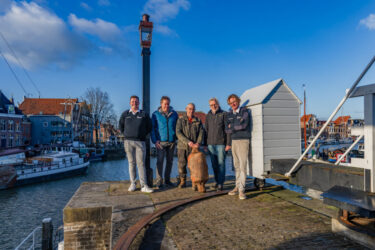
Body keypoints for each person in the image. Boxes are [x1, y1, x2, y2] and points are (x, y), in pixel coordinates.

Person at [119, 95, 153, 193]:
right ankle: (133, 183)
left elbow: (149, 127)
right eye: (133, 101)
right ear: (130, 103)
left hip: (140, 142)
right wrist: (126, 134)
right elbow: (120, 125)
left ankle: (143, 185)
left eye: (136, 101)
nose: (134, 103)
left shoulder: (144, 114)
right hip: (128, 142)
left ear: (139, 103)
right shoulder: (125, 114)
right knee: (131, 163)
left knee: (141, 164)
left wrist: (142, 134)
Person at [225, 94, 251, 200]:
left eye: (234, 101)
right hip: (234, 141)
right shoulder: (229, 114)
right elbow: (227, 129)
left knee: (242, 166)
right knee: (236, 165)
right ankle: (237, 186)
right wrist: (236, 125)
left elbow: (244, 125)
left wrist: (233, 126)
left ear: (238, 101)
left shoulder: (244, 111)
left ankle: (241, 190)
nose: (233, 104)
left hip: (243, 140)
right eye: (231, 103)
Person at [151, 96, 179, 188]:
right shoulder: (155, 114)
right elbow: (152, 129)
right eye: (165, 104)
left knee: (170, 161)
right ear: (161, 104)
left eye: (168, 104)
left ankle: (167, 180)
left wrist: (176, 138)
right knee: (160, 161)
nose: (166, 105)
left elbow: (177, 127)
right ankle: (159, 181)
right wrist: (155, 141)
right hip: (161, 142)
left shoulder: (174, 114)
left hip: (171, 141)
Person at [176, 103, 204, 188]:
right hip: (183, 146)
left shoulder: (198, 121)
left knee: (194, 166)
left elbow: (201, 133)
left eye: (193, 109)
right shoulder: (180, 120)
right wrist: (187, 142)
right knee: (182, 165)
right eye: (189, 109)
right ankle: (182, 181)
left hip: (194, 148)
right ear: (186, 109)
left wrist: (198, 143)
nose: (191, 111)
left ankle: (194, 182)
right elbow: (178, 132)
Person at [204, 98, 230, 191]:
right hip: (210, 144)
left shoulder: (224, 114)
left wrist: (228, 143)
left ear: (218, 104)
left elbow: (228, 130)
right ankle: (216, 181)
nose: (213, 106)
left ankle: (220, 183)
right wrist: (205, 144)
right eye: (211, 105)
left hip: (221, 144)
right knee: (214, 165)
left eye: (215, 104)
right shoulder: (208, 116)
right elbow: (205, 130)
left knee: (221, 164)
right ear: (209, 106)